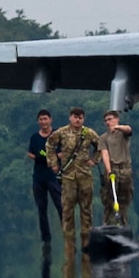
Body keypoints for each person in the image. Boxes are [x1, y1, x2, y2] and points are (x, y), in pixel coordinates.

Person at [45, 106, 103, 260]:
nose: (78, 119)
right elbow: (49, 144)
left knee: (86, 211)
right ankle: (69, 246)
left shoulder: (88, 133)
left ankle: (87, 245)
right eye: (75, 116)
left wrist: (95, 160)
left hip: (84, 176)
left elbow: (100, 145)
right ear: (70, 117)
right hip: (68, 177)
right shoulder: (62, 132)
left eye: (80, 117)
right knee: (67, 211)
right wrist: (53, 163)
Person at [27, 108, 61, 243]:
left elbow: (63, 152)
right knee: (41, 208)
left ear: (50, 120)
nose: (43, 121)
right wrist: (43, 158)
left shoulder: (57, 135)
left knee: (60, 206)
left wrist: (50, 158)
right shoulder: (34, 137)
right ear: (38, 121)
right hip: (38, 177)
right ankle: (46, 238)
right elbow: (30, 153)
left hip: (54, 176)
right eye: (41, 119)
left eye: (45, 118)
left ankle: (67, 234)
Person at [100, 109, 135, 227]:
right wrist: (109, 171)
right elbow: (104, 154)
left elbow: (129, 129)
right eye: (106, 120)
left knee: (125, 199)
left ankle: (123, 223)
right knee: (109, 198)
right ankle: (108, 224)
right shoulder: (104, 138)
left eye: (110, 119)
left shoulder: (123, 133)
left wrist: (118, 127)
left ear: (116, 119)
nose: (107, 122)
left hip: (125, 168)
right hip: (112, 168)